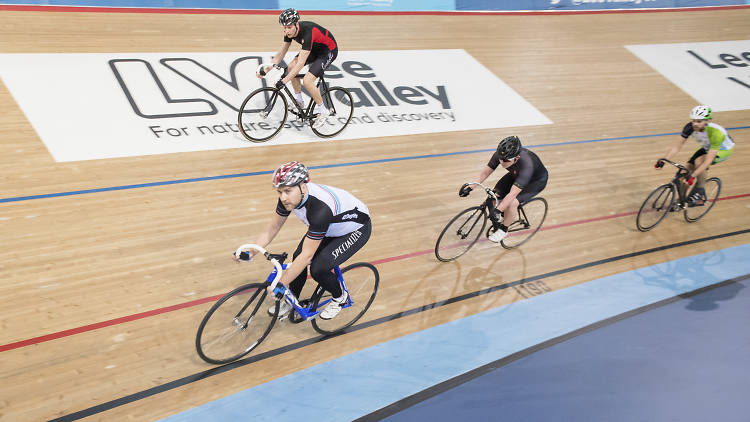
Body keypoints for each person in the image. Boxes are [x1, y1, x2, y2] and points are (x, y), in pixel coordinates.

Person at [236, 161, 371, 320]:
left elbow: (307, 255)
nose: (283, 197)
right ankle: (291, 300)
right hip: (329, 227)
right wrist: (251, 252)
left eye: (287, 191)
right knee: (296, 261)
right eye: (279, 192)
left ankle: (339, 298)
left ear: (303, 186)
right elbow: (273, 228)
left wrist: (281, 285)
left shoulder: (320, 209)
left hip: (354, 230)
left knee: (318, 268)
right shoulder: (289, 198)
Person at [256, 8, 338, 129]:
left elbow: (300, 64)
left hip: (328, 51)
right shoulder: (288, 33)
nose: (286, 30)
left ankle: (323, 111)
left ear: (296, 24)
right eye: (284, 27)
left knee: (308, 81)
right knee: (290, 67)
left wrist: (284, 81)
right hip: (313, 49)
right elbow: (282, 53)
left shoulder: (308, 33)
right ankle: (299, 101)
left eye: (289, 27)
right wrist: (268, 68)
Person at [459, 135, 548, 243]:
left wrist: (498, 210)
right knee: (493, 197)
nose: (501, 162)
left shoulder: (527, 166)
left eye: (505, 160)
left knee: (512, 203)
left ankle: (503, 230)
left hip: (535, 181)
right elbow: (485, 172)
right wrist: (470, 187)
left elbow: (512, 195)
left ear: (516, 158)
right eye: (500, 158)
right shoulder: (501, 155)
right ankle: (504, 216)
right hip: (516, 175)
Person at [655, 105, 735, 205]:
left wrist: (693, 175)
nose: (695, 124)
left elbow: (708, 160)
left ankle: (700, 190)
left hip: (723, 150)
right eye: (693, 120)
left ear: (707, 120)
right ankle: (681, 201)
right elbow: (677, 147)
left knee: (699, 162)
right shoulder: (689, 127)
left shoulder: (716, 133)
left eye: (699, 121)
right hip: (707, 147)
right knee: (684, 173)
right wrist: (664, 160)